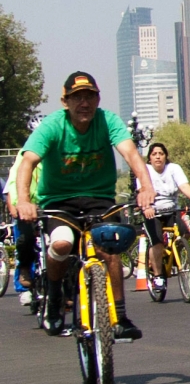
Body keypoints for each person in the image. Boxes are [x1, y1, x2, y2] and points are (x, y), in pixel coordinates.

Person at [15, 71, 156, 338]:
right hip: (60, 202)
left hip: (99, 200)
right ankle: (55, 298)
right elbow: (27, 162)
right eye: (77, 97)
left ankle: (120, 317)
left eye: (90, 97)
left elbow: (130, 153)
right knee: (62, 244)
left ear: (98, 99)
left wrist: (146, 187)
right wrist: (24, 201)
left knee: (109, 248)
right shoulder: (53, 125)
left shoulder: (107, 120)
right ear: (64, 101)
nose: (84, 103)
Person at [137, 142, 190, 292]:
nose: (158, 157)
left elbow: (183, 185)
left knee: (185, 232)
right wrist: (147, 207)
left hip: (171, 211)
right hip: (153, 212)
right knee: (157, 242)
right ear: (150, 158)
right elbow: (142, 190)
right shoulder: (145, 171)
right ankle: (158, 276)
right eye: (154, 154)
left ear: (166, 156)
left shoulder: (174, 169)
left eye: (161, 154)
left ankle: (174, 255)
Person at [5, 115, 44, 306]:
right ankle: (25, 283)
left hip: (49, 206)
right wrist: (17, 204)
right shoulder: (24, 155)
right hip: (28, 207)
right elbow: (12, 183)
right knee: (25, 239)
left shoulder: (55, 154)